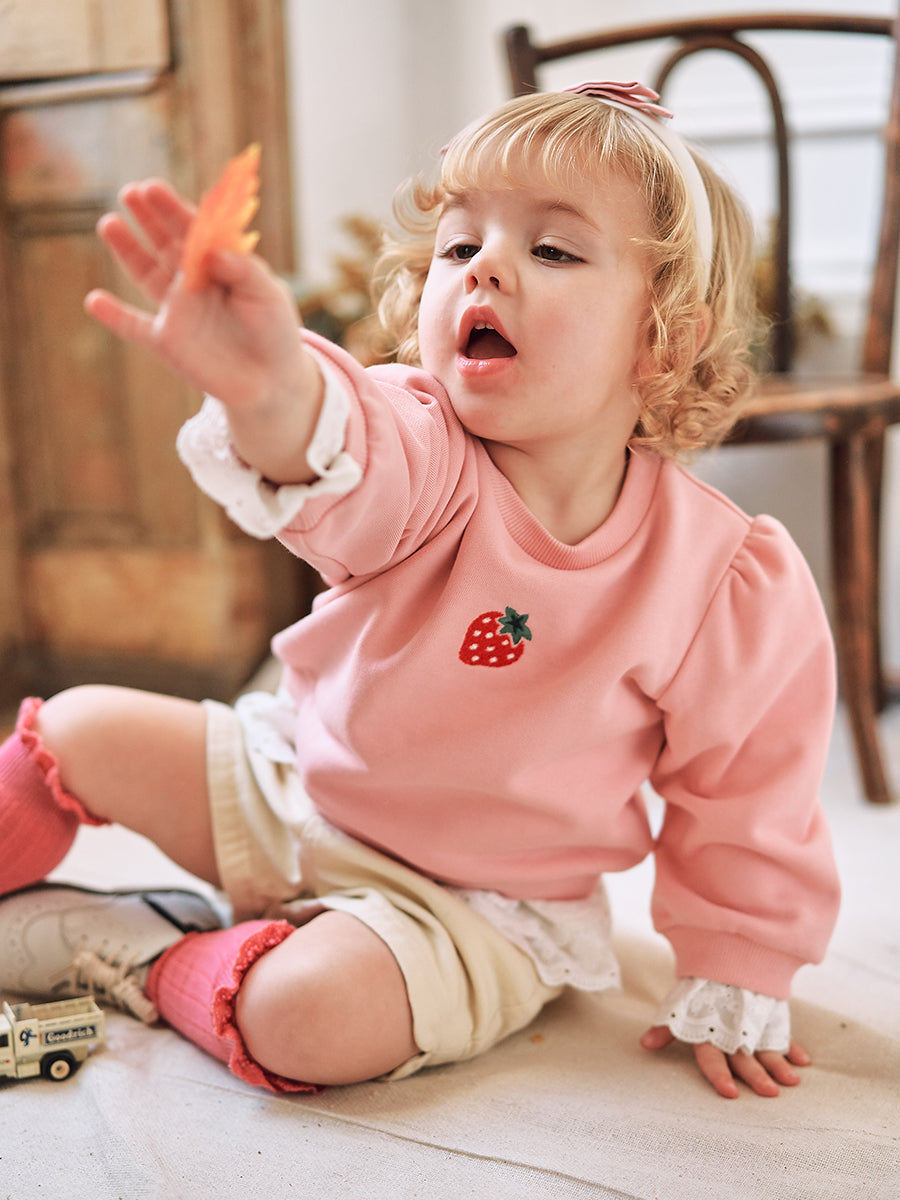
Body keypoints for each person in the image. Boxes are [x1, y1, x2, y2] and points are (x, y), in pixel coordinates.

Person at [0, 82, 840, 1101]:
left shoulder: (719, 577)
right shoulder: (423, 446)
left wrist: (739, 966)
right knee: (79, 727)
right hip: (299, 787)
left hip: (477, 907)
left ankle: (144, 951)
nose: (484, 265)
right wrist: (269, 386)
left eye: (553, 249)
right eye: (459, 244)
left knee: (306, 1017)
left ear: (663, 337)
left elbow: (747, 790)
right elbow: (337, 447)